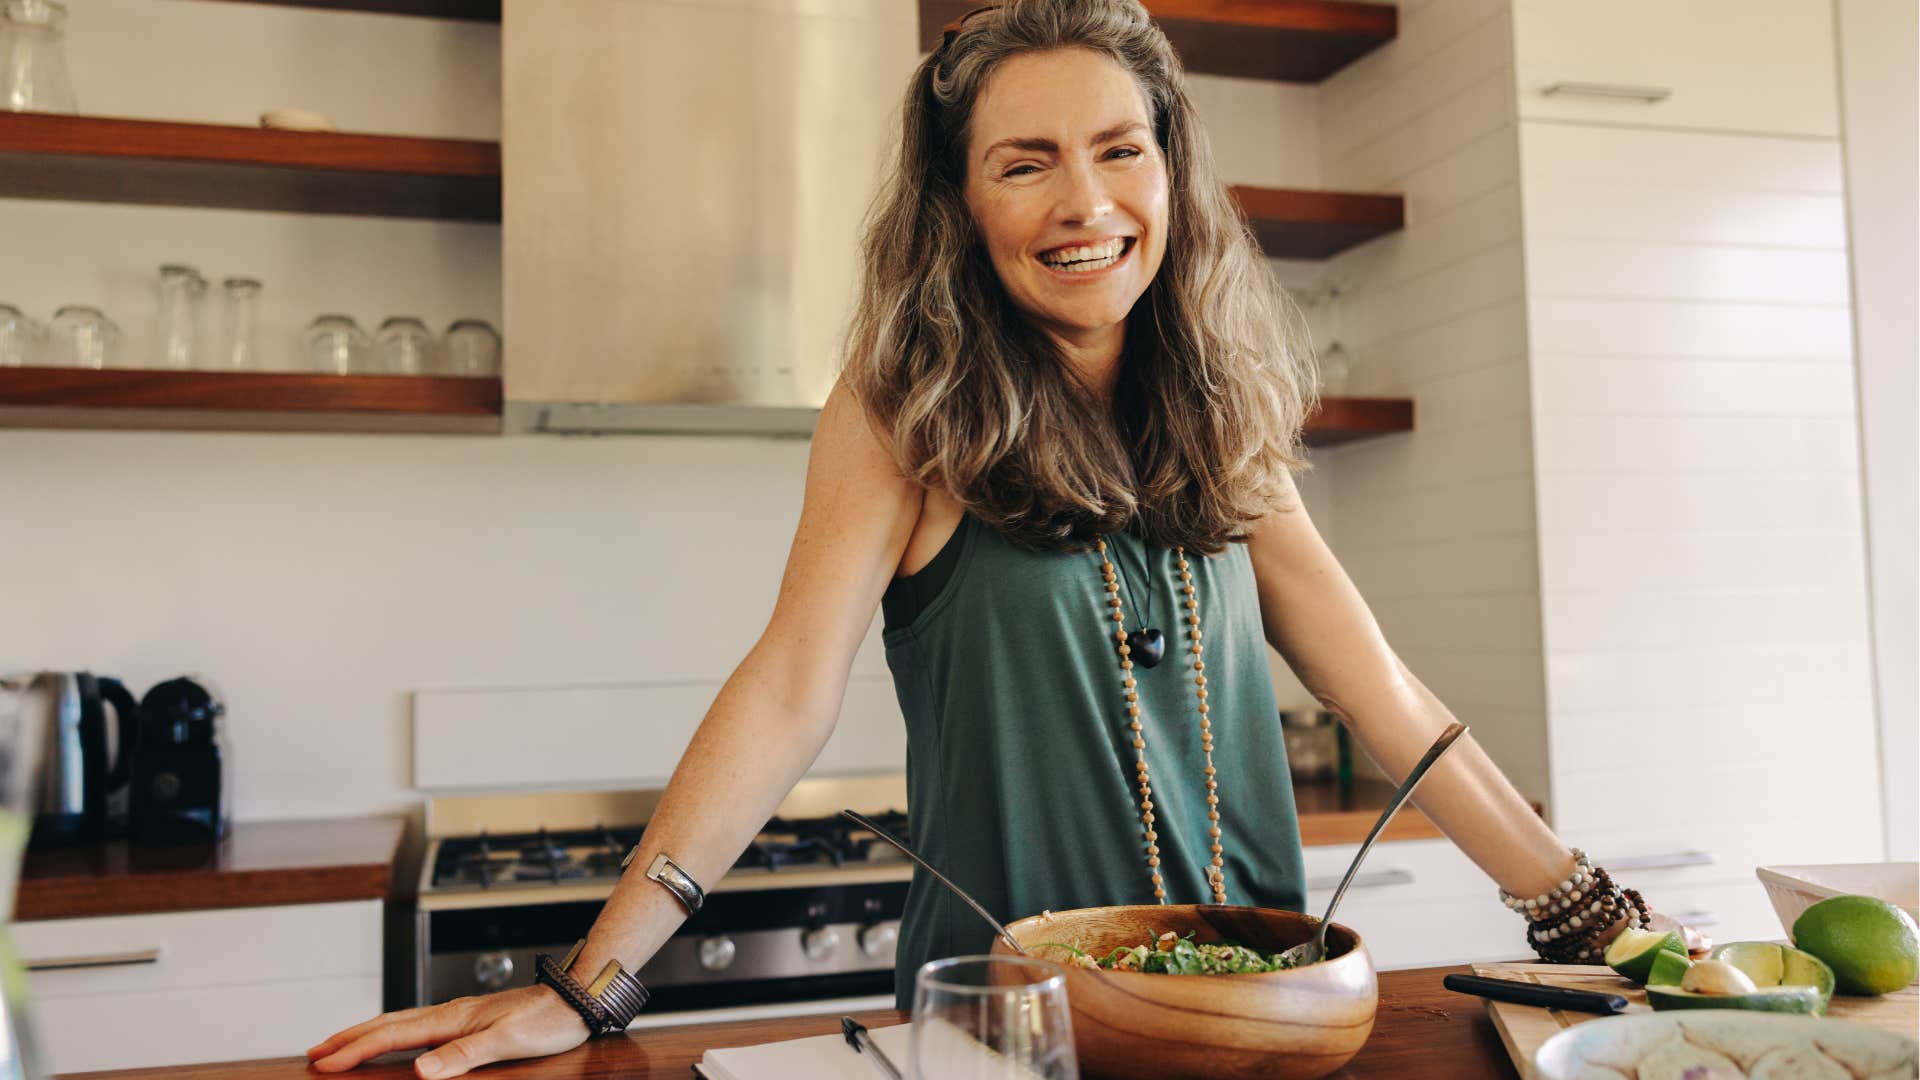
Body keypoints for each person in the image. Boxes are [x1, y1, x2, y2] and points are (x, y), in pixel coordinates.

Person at [309, 2, 1689, 1076]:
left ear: (1170, 168)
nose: (1084, 205)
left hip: (1251, 1019)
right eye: (1025, 164)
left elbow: (1385, 693)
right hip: (1005, 1035)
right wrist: (589, 984)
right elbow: (790, 690)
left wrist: (1596, 922)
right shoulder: (903, 413)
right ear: (966, 208)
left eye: (1118, 150)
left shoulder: (1220, 414)